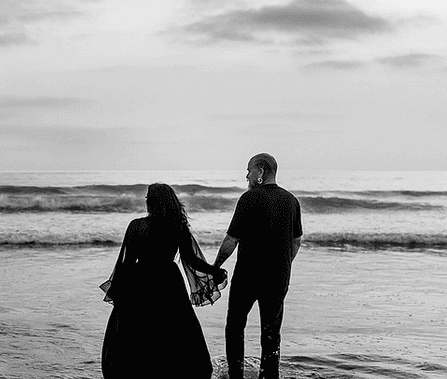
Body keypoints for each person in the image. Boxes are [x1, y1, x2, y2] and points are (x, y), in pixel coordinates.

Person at [100, 183, 228, 378]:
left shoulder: (136, 226)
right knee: (173, 329)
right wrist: (214, 271)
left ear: (151, 202)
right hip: (169, 283)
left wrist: (118, 289)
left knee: (138, 330)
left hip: (140, 281)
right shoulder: (177, 226)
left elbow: (126, 262)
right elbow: (192, 260)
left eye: (147, 199)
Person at [213, 153, 302, 379]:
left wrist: (215, 266)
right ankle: (269, 375)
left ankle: (236, 375)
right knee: (271, 332)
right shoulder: (291, 200)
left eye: (249, 170)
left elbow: (231, 240)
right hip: (278, 277)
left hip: (248, 276)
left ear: (260, 171)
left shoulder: (249, 198)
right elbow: (296, 241)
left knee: (235, 327)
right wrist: (284, 264)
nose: (247, 175)